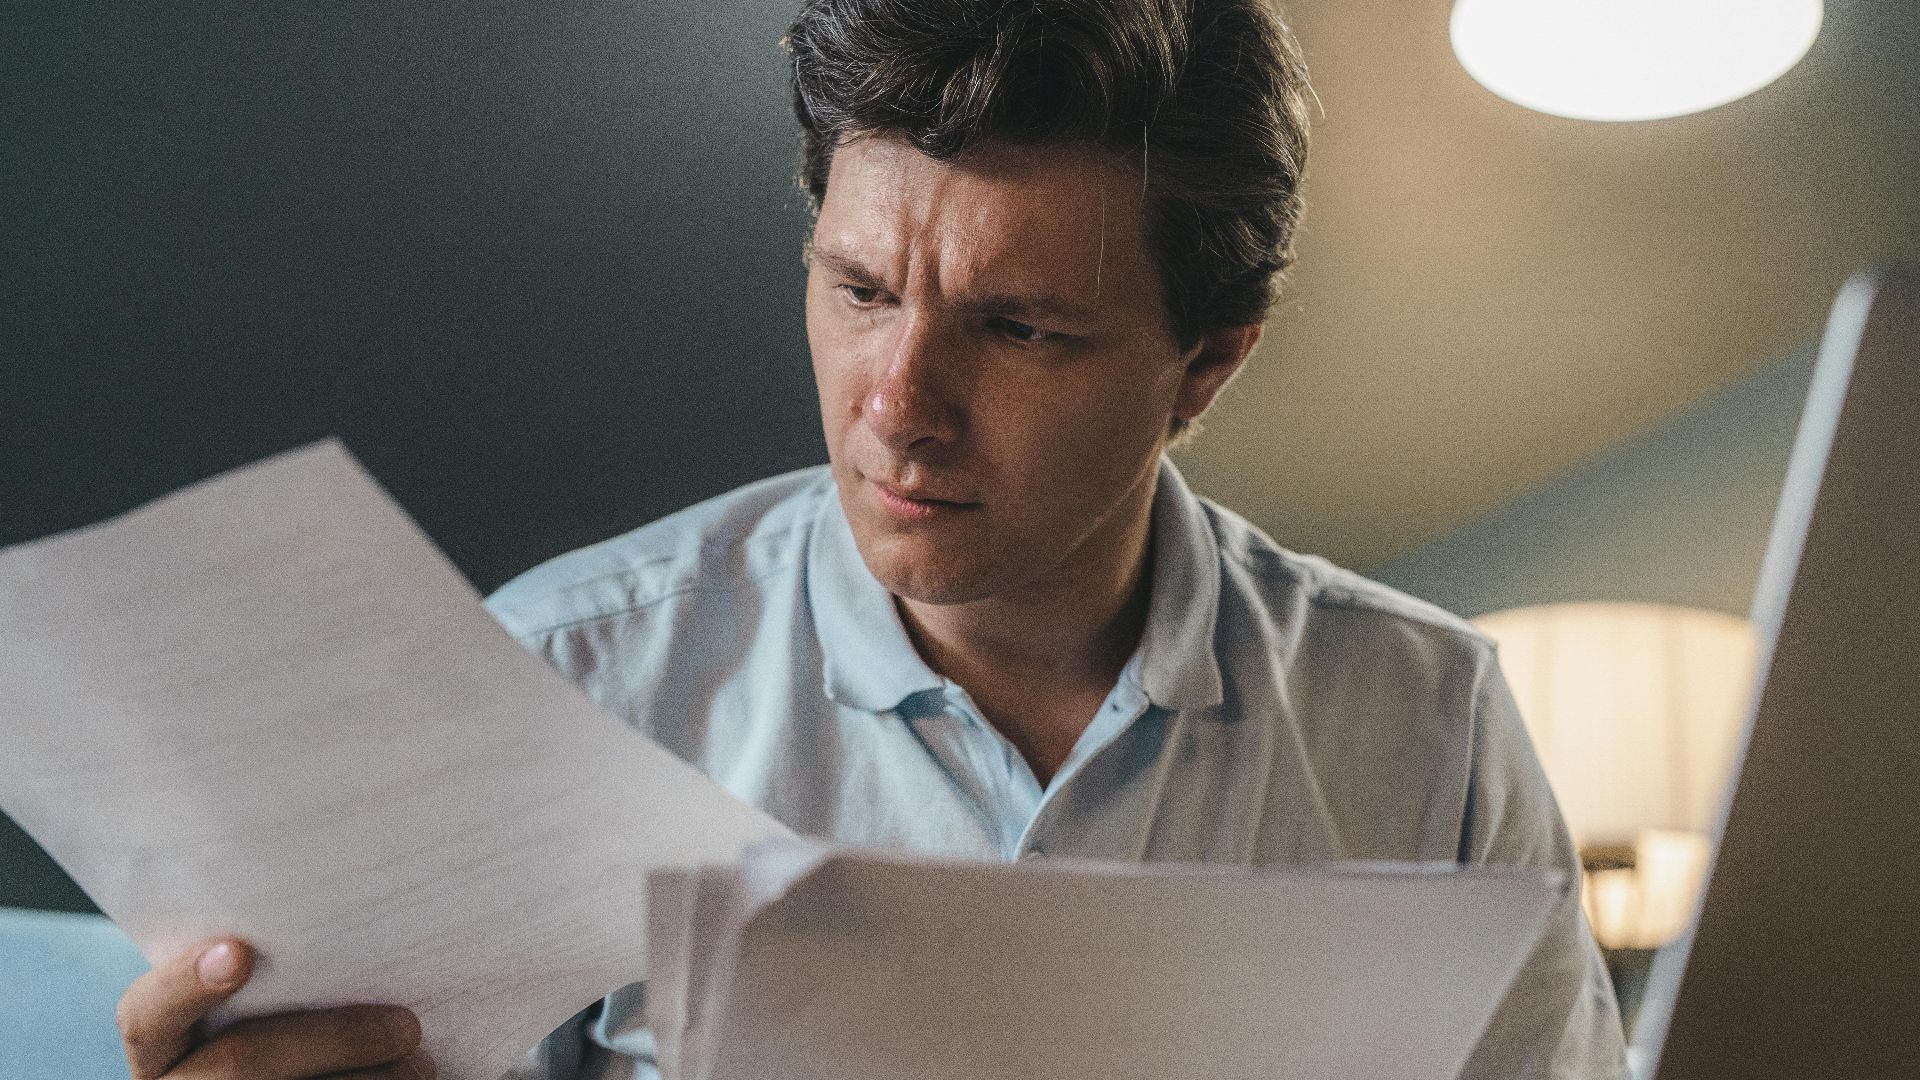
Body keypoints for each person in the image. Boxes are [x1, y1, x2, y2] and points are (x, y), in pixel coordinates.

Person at [113, 1, 1628, 1078]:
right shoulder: (552, 680)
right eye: (858, 291)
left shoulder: (1431, 725)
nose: (898, 406)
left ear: (1207, 369)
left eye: (1019, 328)